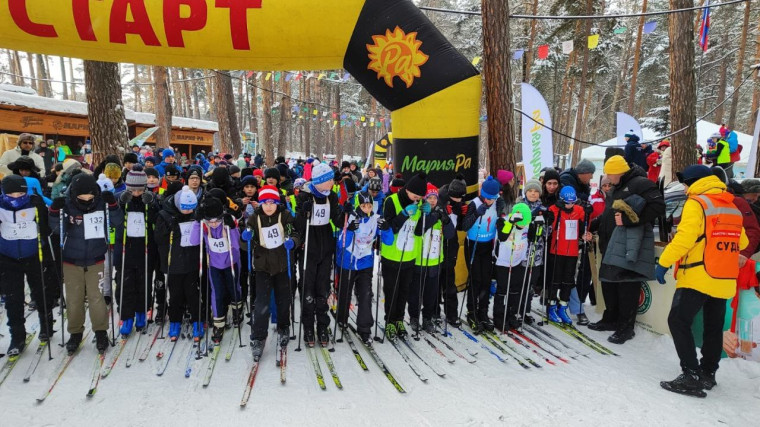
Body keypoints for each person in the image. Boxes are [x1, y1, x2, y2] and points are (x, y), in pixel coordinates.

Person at [656, 165, 748, 398]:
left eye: (686, 184)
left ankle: (691, 375)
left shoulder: (697, 203)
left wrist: (664, 262)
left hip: (699, 274)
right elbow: (744, 242)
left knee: (677, 320)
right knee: (713, 326)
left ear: (694, 182)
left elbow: (684, 239)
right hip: (724, 278)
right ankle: (708, 372)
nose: (685, 188)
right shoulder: (731, 206)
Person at [590, 155, 665, 343]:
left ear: (618, 171)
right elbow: (611, 212)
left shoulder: (640, 183)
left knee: (627, 286)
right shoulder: (619, 185)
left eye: (609, 173)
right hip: (612, 241)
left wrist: (631, 220)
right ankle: (610, 319)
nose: (607, 177)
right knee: (609, 282)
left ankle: (626, 328)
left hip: (629, 243)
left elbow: (658, 206)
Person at [50, 173, 122, 354]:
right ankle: (75, 333)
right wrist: (54, 211)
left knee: (96, 298)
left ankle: (100, 331)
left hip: (95, 257)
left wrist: (112, 204)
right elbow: (55, 228)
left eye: (90, 196)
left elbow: (117, 222)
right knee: (74, 300)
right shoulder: (67, 205)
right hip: (71, 259)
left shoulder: (101, 204)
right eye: (82, 197)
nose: (86, 200)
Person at [241, 185, 301, 360]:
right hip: (262, 267)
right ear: (260, 203)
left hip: (282, 265)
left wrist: (294, 242)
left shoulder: (285, 215)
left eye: (272, 202)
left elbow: (294, 232)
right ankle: (258, 336)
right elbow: (246, 242)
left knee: (283, 299)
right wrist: (245, 238)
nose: (268, 206)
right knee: (261, 303)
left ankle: (284, 326)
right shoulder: (254, 217)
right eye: (265, 203)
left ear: (276, 203)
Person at [0, 175, 56, 355]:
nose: (16, 197)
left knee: (40, 292)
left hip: (34, 256)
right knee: (13, 299)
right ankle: (17, 337)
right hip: (8, 258)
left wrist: (44, 211)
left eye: (20, 193)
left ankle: (46, 325)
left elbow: (47, 229)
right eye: (11, 194)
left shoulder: (34, 203)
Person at [295, 162, 343, 346]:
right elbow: (297, 224)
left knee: (323, 288)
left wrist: (345, 214)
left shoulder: (331, 196)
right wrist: (304, 212)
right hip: (309, 248)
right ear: (321, 181)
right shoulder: (304, 195)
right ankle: (308, 325)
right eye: (329, 179)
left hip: (325, 246)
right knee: (308, 288)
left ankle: (322, 324)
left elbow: (337, 221)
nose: (332, 182)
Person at [335, 191, 391, 344]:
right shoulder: (350, 217)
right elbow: (342, 243)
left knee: (365, 295)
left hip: (365, 262)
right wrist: (350, 230)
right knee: (345, 293)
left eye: (369, 205)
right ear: (358, 205)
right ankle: (342, 317)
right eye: (363, 205)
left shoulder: (376, 218)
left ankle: (364, 329)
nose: (367, 208)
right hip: (348, 261)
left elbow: (389, 241)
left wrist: (386, 229)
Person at [381, 172, 428, 339]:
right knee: (391, 291)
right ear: (407, 190)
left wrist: (426, 215)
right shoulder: (391, 201)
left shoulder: (419, 203)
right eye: (415, 196)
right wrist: (403, 214)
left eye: (420, 197)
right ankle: (390, 321)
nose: (417, 199)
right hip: (392, 256)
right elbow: (389, 228)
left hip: (409, 255)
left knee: (404, 292)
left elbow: (418, 230)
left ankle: (399, 320)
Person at [114, 165, 158, 336]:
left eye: (140, 189)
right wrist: (119, 203)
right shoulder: (121, 199)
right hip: (125, 249)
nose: (137, 193)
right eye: (133, 190)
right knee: (125, 285)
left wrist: (153, 204)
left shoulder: (150, 199)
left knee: (143, 282)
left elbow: (156, 221)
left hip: (144, 249)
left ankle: (141, 311)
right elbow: (113, 218)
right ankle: (126, 316)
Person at [155, 186, 203, 341]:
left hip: (191, 260)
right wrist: (172, 230)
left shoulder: (196, 213)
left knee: (192, 293)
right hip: (173, 261)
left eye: (191, 209)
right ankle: (175, 320)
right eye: (185, 209)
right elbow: (159, 238)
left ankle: (197, 320)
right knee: (175, 294)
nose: (188, 212)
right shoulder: (165, 215)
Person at [408, 183, 453, 334]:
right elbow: (418, 231)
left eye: (435, 197)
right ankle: (414, 317)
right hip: (419, 259)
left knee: (431, 294)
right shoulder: (419, 211)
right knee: (416, 292)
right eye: (429, 197)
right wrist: (432, 216)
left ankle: (427, 318)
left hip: (435, 260)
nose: (433, 200)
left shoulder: (440, 212)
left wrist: (445, 219)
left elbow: (450, 234)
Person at [462, 176, 505, 332]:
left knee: (486, 281)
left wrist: (501, 217)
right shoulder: (474, 203)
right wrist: (476, 215)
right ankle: (472, 312)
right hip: (473, 245)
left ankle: (483, 313)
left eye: (492, 199)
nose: (489, 202)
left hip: (488, 246)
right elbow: (464, 226)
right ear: (482, 193)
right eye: (487, 198)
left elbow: (501, 213)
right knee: (475, 280)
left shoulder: (498, 202)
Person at [197, 197, 242, 343]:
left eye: (217, 220)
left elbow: (236, 244)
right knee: (217, 292)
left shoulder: (229, 221)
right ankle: (218, 323)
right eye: (210, 221)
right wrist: (197, 223)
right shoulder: (205, 225)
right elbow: (193, 241)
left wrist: (233, 228)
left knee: (233, 287)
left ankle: (237, 310)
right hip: (215, 264)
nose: (214, 224)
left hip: (231, 262)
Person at [546, 186, 591, 324]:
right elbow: (549, 227)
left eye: (572, 202)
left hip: (571, 252)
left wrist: (586, 229)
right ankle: (551, 307)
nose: (570, 205)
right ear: (561, 200)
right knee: (555, 280)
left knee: (568, 281)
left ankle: (563, 307)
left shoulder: (578, 210)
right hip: (557, 251)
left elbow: (584, 224)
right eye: (567, 203)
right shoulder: (554, 209)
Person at [493, 203, 532, 331]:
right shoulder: (502, 221)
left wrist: (538, 226)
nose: (523, 226)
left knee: (515, 290)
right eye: (522, 223)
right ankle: (499, 317)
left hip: (517, 262)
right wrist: (510, 223)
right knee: (502, 290)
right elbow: (502, 237)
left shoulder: (526, 224)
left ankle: (511, 315)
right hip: (503, 262)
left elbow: (532, 238)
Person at [437, 174, 468, 326]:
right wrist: (443, 212)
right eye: (457, 199)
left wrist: (463, 213)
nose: (459, 201)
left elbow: (461, 226)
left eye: (461, 199)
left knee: (449, 279)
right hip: (437, 244)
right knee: (435, 279)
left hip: (451, 244)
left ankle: (452, 314)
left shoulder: (459, 202)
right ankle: (433, 312)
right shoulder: (440, 197)